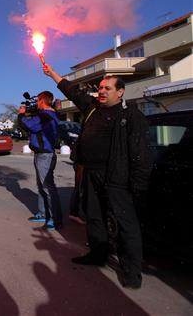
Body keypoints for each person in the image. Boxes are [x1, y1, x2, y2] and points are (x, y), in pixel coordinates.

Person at [43, 64, 151, 289]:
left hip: (116, 177)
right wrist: (52, 73)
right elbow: (72, 91)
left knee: (125, 224)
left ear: (120, 92)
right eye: (100, 88)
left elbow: (141, 154)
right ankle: (98, 254)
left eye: (107, 88)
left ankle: (132, 271)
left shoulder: (131, 116)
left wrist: (138, 186)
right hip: (91, 174)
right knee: (94, 217)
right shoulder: (92, 107)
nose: (101, 92)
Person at [18, 91, 63, 231]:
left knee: (47, 187)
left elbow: (28, 125)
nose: (36, 103)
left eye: (38, 101)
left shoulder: (45, 115)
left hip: (45, 155)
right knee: (41, 186)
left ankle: (55, 219)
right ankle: (44, 213)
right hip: (41, 154)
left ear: (43, 100)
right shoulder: (47, 114)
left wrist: (21, 114)